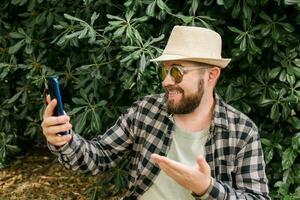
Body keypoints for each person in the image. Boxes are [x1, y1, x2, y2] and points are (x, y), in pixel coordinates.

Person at [41, 26, 270, 200]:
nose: (167, 81)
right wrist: (63, 139)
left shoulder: (241, 132)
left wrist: (206, 188)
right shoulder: (146, 111)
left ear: (211, 75)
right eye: (165, 71)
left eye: (177, 72)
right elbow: (98, 157)